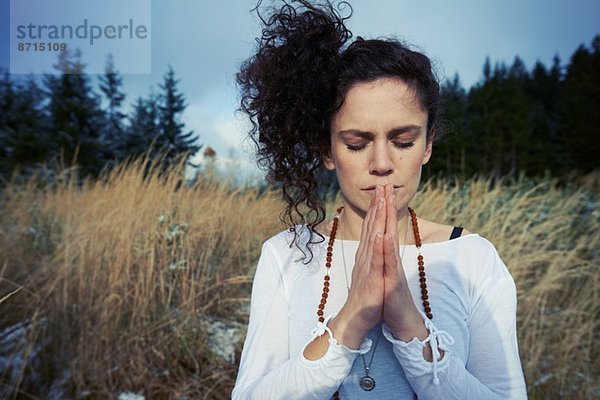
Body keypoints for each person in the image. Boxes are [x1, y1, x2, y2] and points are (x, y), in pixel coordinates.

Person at [232, 1, 527, 399]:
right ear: (326, 150)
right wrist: (353, 316)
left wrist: (409, 325)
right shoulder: (285, 255)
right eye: (356, 144)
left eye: (403, 141)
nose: (382, 164)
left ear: (428, 145)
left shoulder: (473, 259)